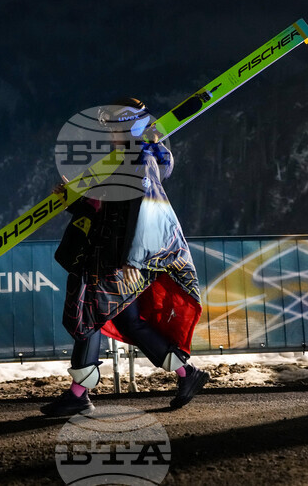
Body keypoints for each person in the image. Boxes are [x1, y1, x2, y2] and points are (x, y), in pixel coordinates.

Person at [41, 98, 209, 417]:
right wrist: (72, 202)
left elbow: (143, 212)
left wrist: (134, 261)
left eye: (114, 127)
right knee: (129, 321)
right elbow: (104, 210)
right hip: (112, 255)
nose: (109, 133)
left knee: (89, 314)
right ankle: (188, 375)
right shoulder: (124, 160)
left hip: (119, 260)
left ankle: (79, 393)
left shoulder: (139, 159)